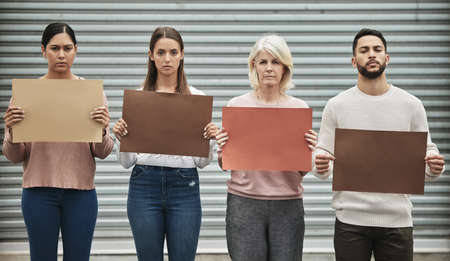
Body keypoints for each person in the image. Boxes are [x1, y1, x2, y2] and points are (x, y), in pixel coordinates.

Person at [312, 28, 446, 261]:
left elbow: (427, 154)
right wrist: (320, 164)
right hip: (350, 222)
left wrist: (435, 167)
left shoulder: (411, 105)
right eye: (364, 50)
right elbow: (321, 155)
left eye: (377, 49)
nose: (371, 54)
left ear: (387, 58)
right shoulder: (337, 105)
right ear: (354, 61)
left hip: (397, 222)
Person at [2, 22, 114, 261]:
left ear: (76, 50)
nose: (61, 54)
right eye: (54, 48)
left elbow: (103, 152)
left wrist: (104, 128)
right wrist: (11, 130)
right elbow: (14, 156)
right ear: (43, 50)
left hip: (81, 194)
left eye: (67, 47)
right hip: (38, 193)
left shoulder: (91, 93)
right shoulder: (27, 94)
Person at [112, 26, 218, 261]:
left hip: (184, 187)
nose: (167, 59)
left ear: (182, 54)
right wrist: (121, 137)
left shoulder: (196, 99)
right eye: (160, 52)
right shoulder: (138, 98)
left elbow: (202, 162)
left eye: (173, 52)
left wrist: (209, 139)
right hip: (144, 185)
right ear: (150, 55)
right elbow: (126, 162)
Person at [215, 34, 317, 261]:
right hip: (244, 203)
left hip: (287, 205)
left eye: (275, 62)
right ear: (254, 67)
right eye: (263, 62)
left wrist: (309, 152)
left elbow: (303, 170)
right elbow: (223, 164)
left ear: (285, 68)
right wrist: (222, 149)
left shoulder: (299, 109)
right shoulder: (237, 106)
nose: (269, 68)